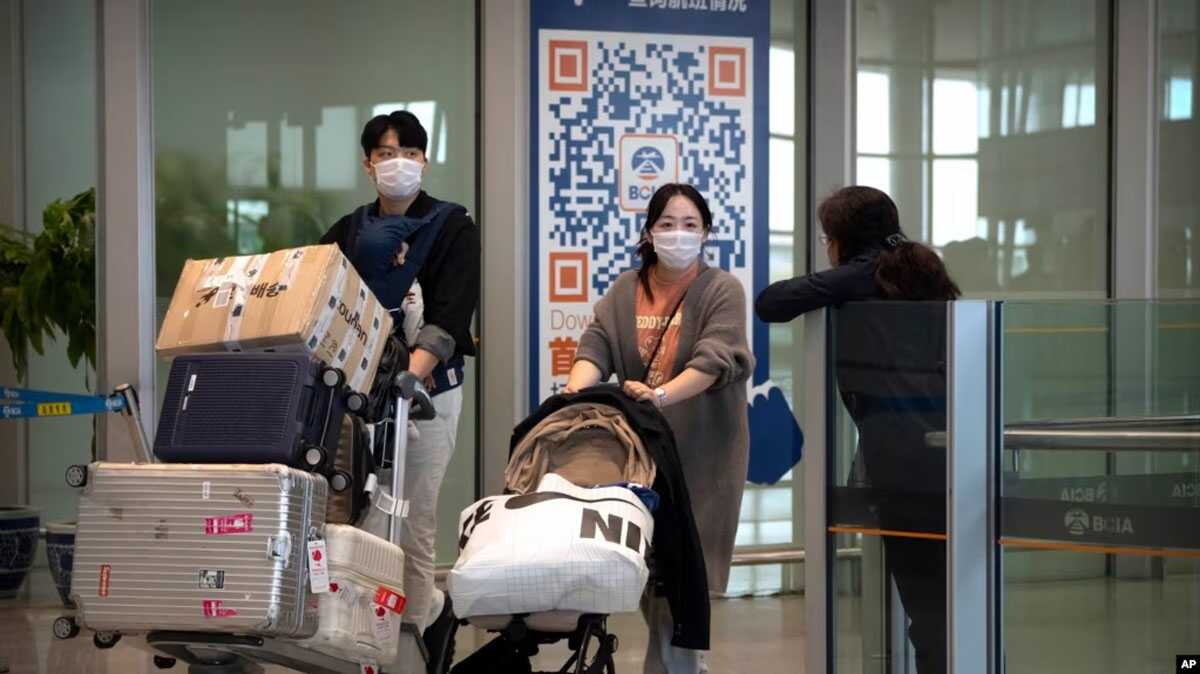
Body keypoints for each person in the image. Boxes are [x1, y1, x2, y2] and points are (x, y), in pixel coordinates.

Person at [755, 185, 961, 674]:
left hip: (898, 453)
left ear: (842, 239)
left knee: (922, 591)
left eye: (829, 237)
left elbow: (771, 302)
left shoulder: (859, 276)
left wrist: (838, 276)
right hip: (949, 439)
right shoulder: (924, 271)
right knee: (943, 586)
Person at [563, 183, 754, 674]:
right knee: (650, 582)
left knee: (679, 588)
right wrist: (572, 396)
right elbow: (595, 347)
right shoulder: (627, 288)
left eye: (690, 225)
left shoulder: (720, 289)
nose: (678, 235)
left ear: (706, 232)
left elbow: (717, 359)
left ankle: (678, 666)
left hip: (703, 458)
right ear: (649, 232)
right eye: (667, 224)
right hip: (643, 460)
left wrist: (662, 394)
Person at [319, 110, 479, 673]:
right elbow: (319, 298)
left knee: (410, 521)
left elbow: (453, 314)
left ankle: (418, 627)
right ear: (369, 165)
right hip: (356, 400)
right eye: (387, 153)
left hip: (425, 396)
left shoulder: (453, 226)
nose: (399, 164)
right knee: (353, 518)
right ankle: (360, 636)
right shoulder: (348, 231)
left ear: (425, 160)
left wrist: (411, 375)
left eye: (410, 152)